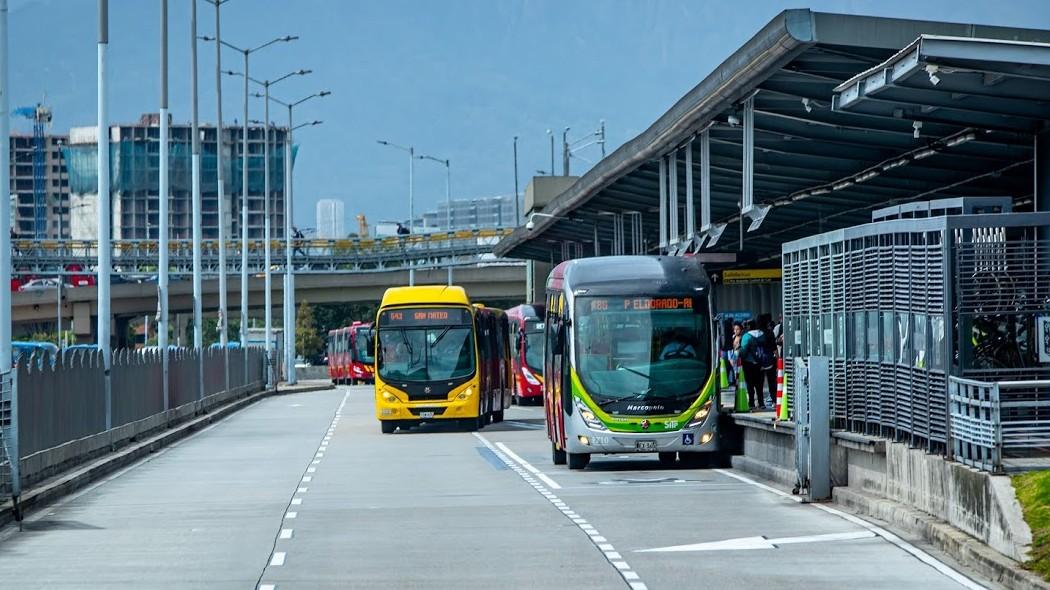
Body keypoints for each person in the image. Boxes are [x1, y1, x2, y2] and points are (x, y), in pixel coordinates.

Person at [740, 319, 769, 410]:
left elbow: (744, 350)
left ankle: (751, 402)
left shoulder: (746, 336)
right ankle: (761, 402)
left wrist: (741, 357)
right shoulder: (763, 335)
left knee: (750, 383)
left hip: (749, 363)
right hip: (761, 363)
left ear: (749, 326)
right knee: (759, 384)